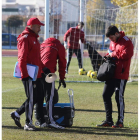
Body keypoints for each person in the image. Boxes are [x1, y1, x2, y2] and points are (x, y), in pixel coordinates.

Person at [10, 17, 45, 131]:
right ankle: (28, 123)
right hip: (29, 74)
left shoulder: (34, 38)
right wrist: (25, 74)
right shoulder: (25, 38)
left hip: (36, 74)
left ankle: (17, 113)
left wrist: (43, 69)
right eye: (38, 26)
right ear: (32, 26)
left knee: (38, 96)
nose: (40, 28)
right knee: (31, 98)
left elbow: (37, 58)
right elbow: (22, 58)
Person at [96, 25, 133, 128]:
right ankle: (109, 120)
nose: (111, 40)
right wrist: (108, 56)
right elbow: (110, 52)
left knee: (118, 97)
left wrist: (113, 55)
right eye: (110, 39)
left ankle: (120, 122)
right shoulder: (113, 42)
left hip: (121, 75)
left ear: (117, 34)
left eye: (112, 38)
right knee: (105, 95)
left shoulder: (127, 41)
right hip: (111, 73)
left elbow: (127, 55)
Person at [37, 37, 66, 129]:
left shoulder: (42, 45)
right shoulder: (59, 46)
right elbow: (62, 62)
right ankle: (50, 121)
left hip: (37, 72)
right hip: (48, 73)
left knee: (39, 98)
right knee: (50, 97)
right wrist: (62, 78)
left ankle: (40, 120)